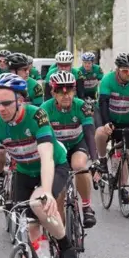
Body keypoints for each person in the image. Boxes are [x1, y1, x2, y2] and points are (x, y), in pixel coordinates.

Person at [0, 73, 78, 258]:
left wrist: (46, 191)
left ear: (20, 100)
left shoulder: (37, 115)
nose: (1, 108)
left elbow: (47, 156)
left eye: (6, 103)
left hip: (55, 165)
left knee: (39, 204)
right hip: (25, 172)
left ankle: (66, 247)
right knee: (28, 227)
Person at [41, 71, 97, 228]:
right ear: (53, 92)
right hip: (57, 151)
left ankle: (86, 207)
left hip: (76, 145)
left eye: (69, 90)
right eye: (60, 91)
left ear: (74, 91)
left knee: (79, 166)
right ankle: (63, 239)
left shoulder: (82, 106)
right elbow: (41, 139)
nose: (65, 95)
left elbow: (89, 133)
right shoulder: (45, 109)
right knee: (59, 195)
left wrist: (96, 159)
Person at [96, 52, 129, 204]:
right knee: (100, 133)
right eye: (125, 70)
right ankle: (101, 159)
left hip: (126, 121)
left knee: (124, 155)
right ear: (117, 69)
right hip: (108, 117)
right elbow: (103, 103)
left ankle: (123, 188)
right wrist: (106, 123)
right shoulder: (107, 80)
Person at [0, 52, 44, 194]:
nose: (28, 72)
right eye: (24, 69)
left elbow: (39, 112)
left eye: (28, 69)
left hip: (27, 127)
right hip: (7, 125)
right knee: (0, 151)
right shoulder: (1, 84)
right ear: (13, 71)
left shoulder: (35, 87)